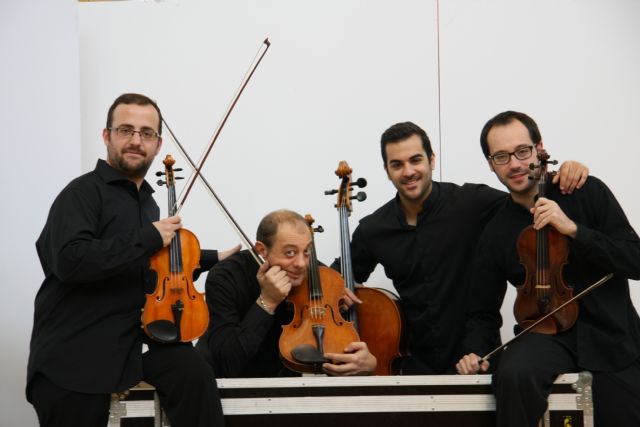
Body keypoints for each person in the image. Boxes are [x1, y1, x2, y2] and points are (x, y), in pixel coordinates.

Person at [27, 93, 235, 427]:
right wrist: (149, 236)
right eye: (126, 130)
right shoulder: (81, 193)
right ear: (107, 136)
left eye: (146, 133)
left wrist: (216, 258)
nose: (136, 140)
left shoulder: (148, 206)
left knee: (191, 369)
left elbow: (152, 265)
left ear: (157, 143)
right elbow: (69, 260)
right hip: (74, 356)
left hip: (129, 345)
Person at [342, 121, 588, 375]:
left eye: (416, 160)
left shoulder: (472, 202)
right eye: (397, 164)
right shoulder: (374, 229)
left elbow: (525, 196)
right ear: (387, 169)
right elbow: (338, 277)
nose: (408, 171)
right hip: (413, 366)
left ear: (432, 159)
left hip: (479, 360)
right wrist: (337, 287)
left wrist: (566, 172)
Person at [456, 110, 640, 426]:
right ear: (490, 164)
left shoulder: (585, 191)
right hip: (544, 332)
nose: (514, 163)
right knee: (513, 374)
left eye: (522, 151)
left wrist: (573, 229)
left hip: (611, 334)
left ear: (540, 150)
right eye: (501, 156)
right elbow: (482, 311)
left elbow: (634, 259)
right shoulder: (496, 230)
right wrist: (474, 351)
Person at [196, 209, 377, 377]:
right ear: (262, 250)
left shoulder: (317, 275)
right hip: (223, 387)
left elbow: (330, 351)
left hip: (285, 386)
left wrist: (366, 362)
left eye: (307, 251)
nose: (301, 263)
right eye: (290, 253)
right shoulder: (225, 276)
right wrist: (267, 301)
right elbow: (228, 362)